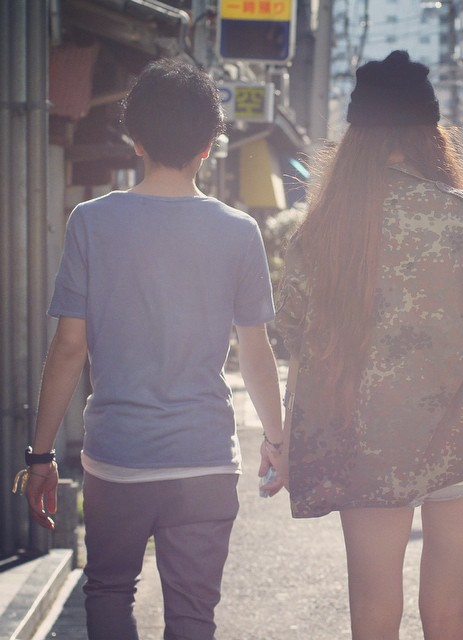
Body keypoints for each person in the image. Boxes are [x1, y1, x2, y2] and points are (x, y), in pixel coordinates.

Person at [275, 50, 463, 640]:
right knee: (448, 612)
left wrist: (287, 440)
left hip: (362, 444)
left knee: (374, 613)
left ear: (356, 138)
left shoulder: (323, 232)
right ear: (429, 134)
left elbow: (299, 344)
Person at [20, 59, 285, 640]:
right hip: (205, 458)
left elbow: (69, 348)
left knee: (110, 592)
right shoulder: (238, 231)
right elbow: (257, 351)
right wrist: (278, 438)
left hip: (117, 458)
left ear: (134, 139)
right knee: (193, 615)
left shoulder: (91, 222)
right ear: (210, 144)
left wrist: (40, 456)